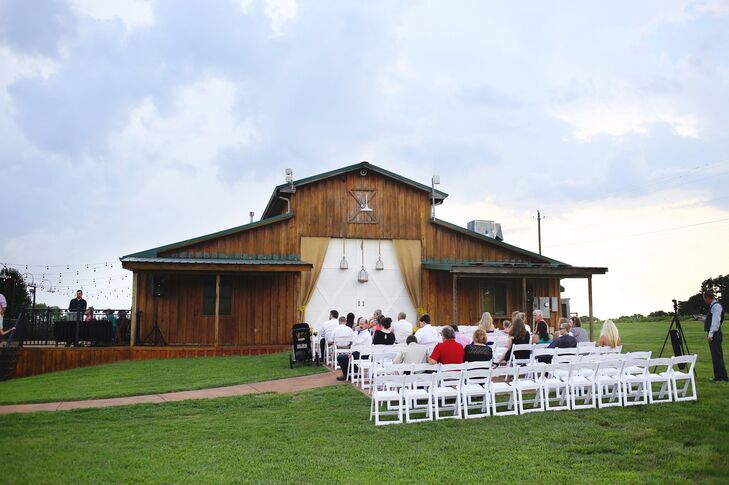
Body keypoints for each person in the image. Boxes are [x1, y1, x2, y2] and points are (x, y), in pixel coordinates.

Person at [704, 291, 727, 382]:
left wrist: (710, 334)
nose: (705, 301)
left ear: (708, 298)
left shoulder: (716, 306)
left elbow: (715, 322)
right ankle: (718, 376)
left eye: (705, 299)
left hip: (715, 334)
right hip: (715, 333)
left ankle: (723, 377)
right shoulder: (713, 306)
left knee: (717, 355)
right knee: (715, 356)